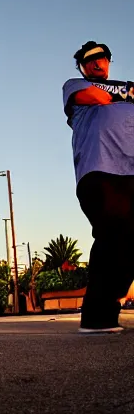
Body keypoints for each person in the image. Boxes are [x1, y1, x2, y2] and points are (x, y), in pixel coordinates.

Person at [63, 41, 134, 333]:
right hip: (99, 169)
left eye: (101, 58)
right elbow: (93, 96)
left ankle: (109, 302)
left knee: (129, 239)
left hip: (130, 171)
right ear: (82, 66)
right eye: (89, 60)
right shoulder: (74, 85)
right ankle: (96, 315)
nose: (96, 63)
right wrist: (128, 93)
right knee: (111, 231)